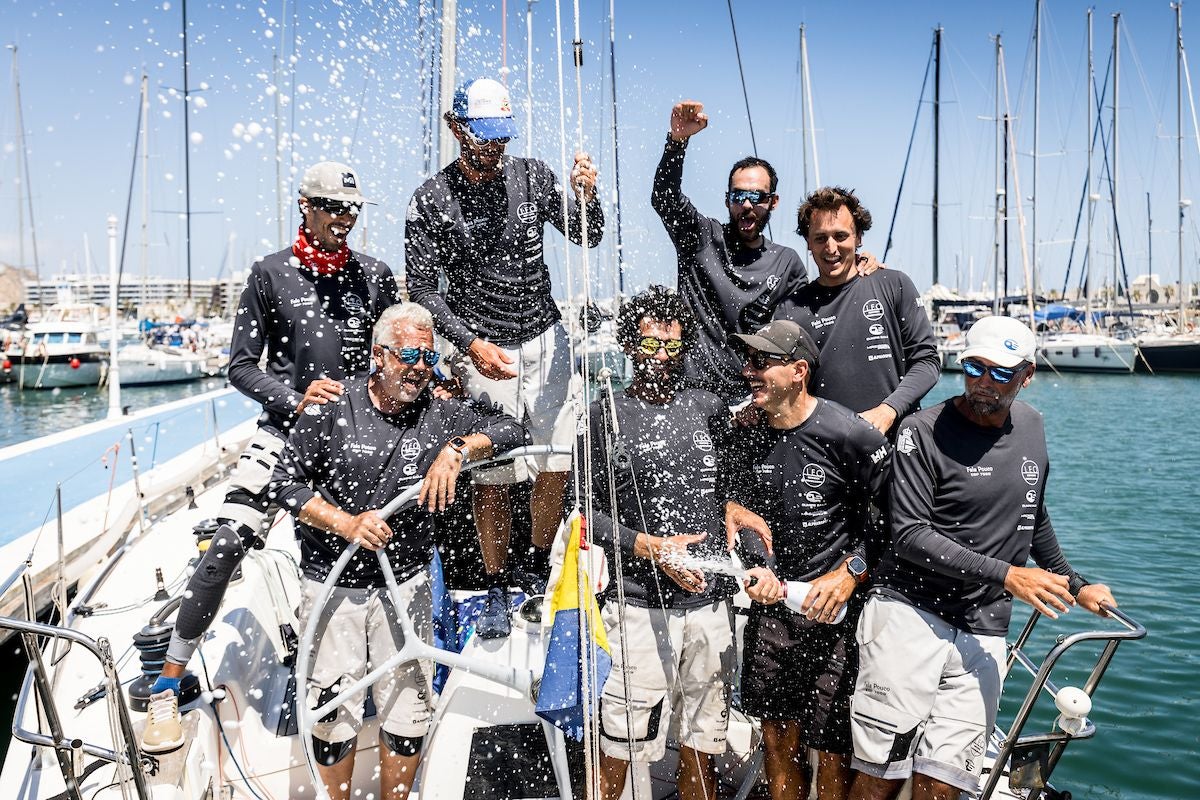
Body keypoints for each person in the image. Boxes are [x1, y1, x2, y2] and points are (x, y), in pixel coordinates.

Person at [140, 161, 400, 754]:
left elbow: (397, 349)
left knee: (379, 543)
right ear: (305, 206)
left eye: (353, 210)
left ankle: (372, 684)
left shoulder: (374, 276)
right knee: (229, 542)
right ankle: (166, 681)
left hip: (356, 437)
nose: (345, 220)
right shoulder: (270, 274)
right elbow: (239, 366)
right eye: (334, 208)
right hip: (284, 431)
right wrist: (294, 397)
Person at [848, 316, 1117, 800]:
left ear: (1027, 375)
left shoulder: (1033, 426)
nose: (984, 383)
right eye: (974, 368)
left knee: (947, 782)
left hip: (983, 629)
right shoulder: (921, 431)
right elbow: (908, 533)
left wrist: (1075, 584)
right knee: (879, 777)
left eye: (1000, 373)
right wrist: (1009, 575)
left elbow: (1032, 515)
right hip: (910, 616)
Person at [271, 302, 527, 800]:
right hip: (332, 584)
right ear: (379, 354)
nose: (419, 367)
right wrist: (346, 523)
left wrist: (457, 450)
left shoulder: (439, 410)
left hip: (406, 584)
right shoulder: (330, 405)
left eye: (428, 358)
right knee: (331, 722)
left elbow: (512, 429)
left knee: (407, 719)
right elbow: (284, 485)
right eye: (408, 353)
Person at [406, 77, 604, 639]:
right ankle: (495, 587)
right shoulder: (431, 199)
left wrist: (588, 197)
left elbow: (587, 238)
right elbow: (422, 288)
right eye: (484, 138)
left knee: (556, 461)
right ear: (457, 127)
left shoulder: (534, 176)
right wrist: (468, 344)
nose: (495, 150)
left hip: (544, 337)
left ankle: (537, 573)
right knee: (492, 474)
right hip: (479, 341)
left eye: (502, 139)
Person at [579, 286, 767, 800]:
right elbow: (583, 515)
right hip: (637, 609)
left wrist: (735, 507)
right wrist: (648, 547)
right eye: (648, 345)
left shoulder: (709, 409)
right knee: (617, 746)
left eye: (671, 347)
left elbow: (739, 482)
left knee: (703, 742)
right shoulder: (605, 414)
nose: (660, 357)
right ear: (627, 345)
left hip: (710, 609)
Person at [726, 320, 891, 800]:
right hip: (771, 606)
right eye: (749, 362)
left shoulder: (850, 434)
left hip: (835, 611)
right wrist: (756, 566)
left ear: (799, 370)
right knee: (778, 741)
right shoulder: (746, 434)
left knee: (833, 750)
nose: (749, 371)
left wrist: (850, 573)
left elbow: (895, 519)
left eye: (762, 362)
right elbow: (741, 508)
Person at [651, 101, 883, 405]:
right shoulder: (701, 239)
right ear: (727, 200)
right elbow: (664, 197)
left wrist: (857, 268)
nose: (747, 204)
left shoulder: (787, 263)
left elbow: (813, 323)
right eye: (738, 196)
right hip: (691, 398)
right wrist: (677, 141)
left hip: (754, 404)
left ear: (773, 202)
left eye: (757, 196)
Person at [774, 186, 939, 436]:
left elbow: (927, 362)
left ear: (858, 237)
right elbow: (783, 386)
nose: (831, 248)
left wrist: (888, 410)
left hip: (894, 443)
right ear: (808, 242)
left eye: (840, 236)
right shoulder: (791, 309)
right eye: (820, 238)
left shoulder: (894, 285)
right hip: (825, 453)